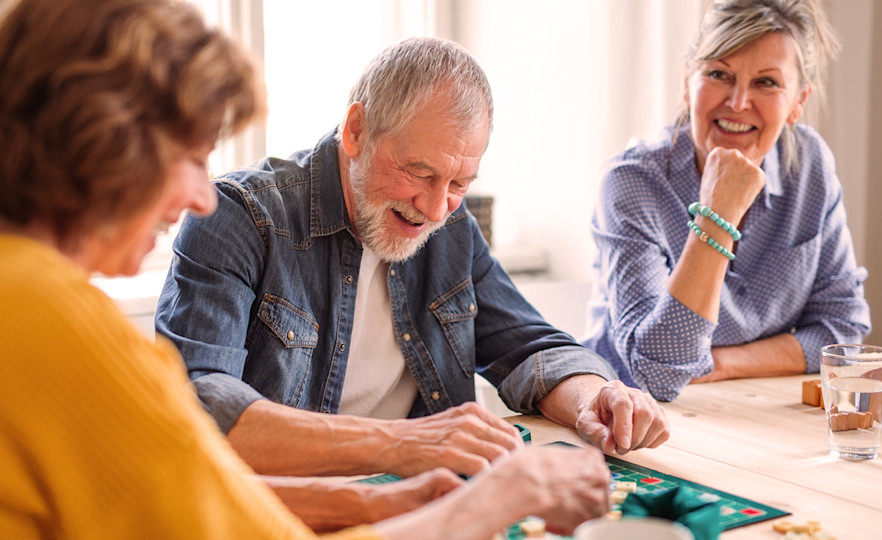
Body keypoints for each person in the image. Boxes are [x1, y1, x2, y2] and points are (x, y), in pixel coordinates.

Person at [0, 1, 615, 538]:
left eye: (457, 183)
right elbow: (211, 468)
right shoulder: (54, 315)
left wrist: (386, 497)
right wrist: (485, 497)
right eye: (190, 156)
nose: (200, 195)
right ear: (102, 144)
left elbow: (184, 491)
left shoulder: (30, 290)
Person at [154, 35, 670, 483]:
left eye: (459, 183)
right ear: (355, 129)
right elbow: (202, 405)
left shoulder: (452, 227)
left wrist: (594, 399)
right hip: (288, 508)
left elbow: (529, 347)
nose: (435, 208)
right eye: (420, 173)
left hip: (421, 497)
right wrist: (403, 444)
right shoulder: (238, 217)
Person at [583, 0, 871, 402]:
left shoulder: (808, 164)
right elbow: (658, 374)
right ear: (687, 83)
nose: (737, 103)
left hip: (745, 404)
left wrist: (723, 363)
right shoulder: (632, 181)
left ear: (798, 102)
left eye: (766, 83)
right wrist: (717, 214)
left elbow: (843, 330)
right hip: (628, 418)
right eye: (719, 74)